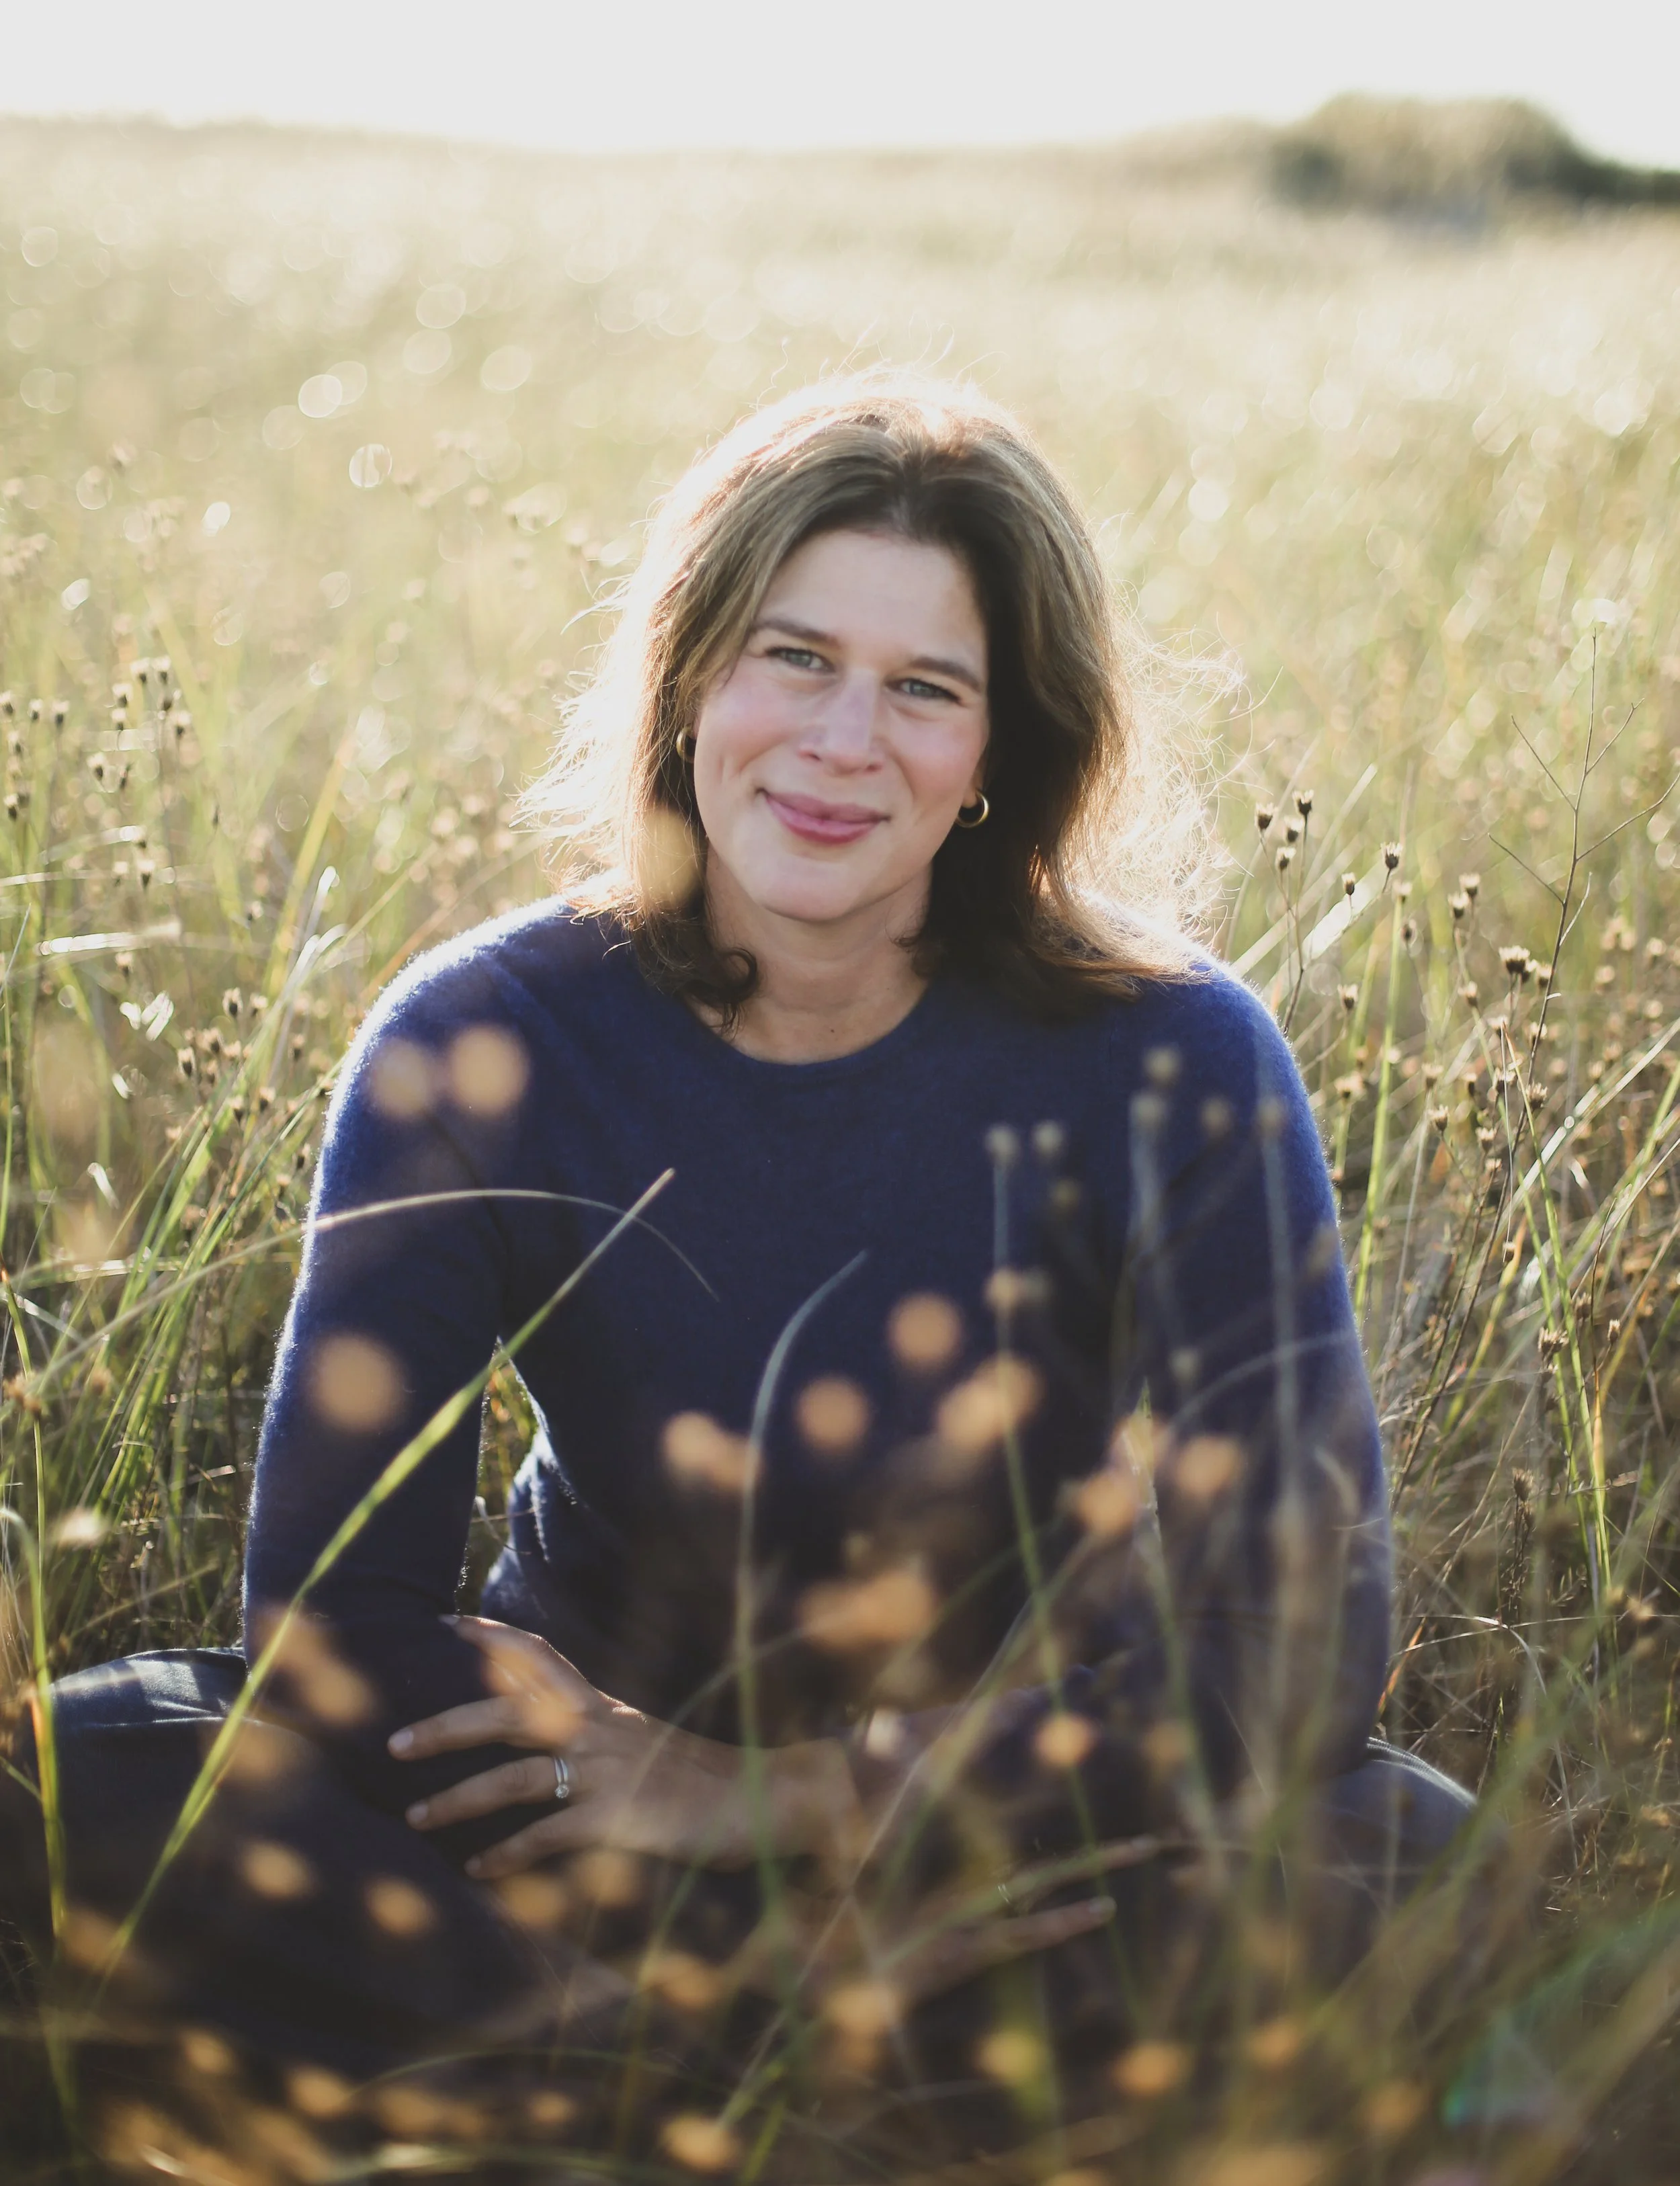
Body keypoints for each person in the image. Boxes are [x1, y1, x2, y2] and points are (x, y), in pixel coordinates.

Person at [0, 374, 1472, 2172]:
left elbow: (1300, 1642)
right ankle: (751, 2054)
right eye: (794, 656)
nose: (843, 741)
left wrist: (787, 1802)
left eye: (924, 688)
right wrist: (651, 1820)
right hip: (569, 1807)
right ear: (689, 678)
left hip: (997, 1809)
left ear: (1001, 751)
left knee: (1385, 1850)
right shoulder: (485, 1040)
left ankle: (651, 2077)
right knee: (70, 1772)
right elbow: (331, 1624)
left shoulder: (1173, 1057)